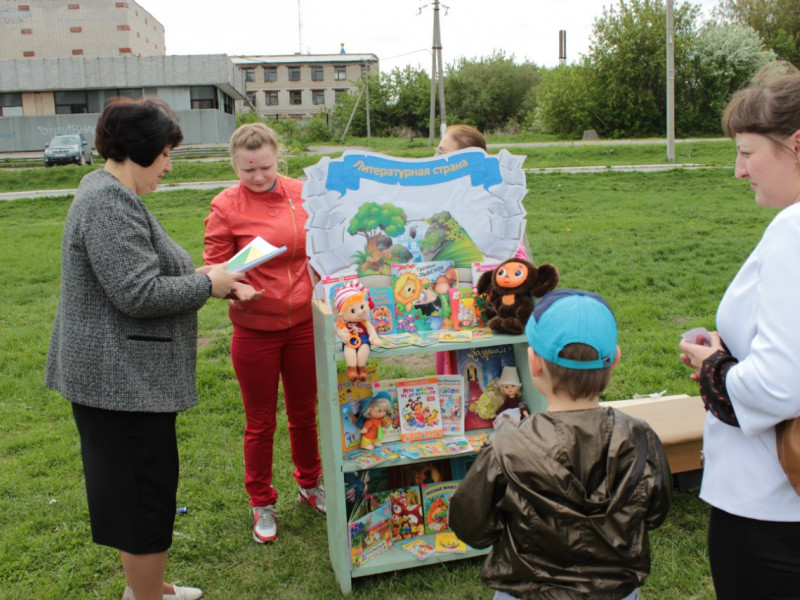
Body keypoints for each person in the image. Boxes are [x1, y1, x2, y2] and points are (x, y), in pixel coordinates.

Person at [45, 98, 242, 600]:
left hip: (123, 378)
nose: (170, 165)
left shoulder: (108, 194)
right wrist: (209, 286)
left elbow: (138, 277)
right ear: (139, 149)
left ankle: (151, 589)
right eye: (166, 154)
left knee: (138, 492)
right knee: (143, 496)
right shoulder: (108, 203)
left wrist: (203, 276)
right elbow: (138, 293)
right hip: (121, 383)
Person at [450, 289, 672, 600]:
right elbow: (655, 512)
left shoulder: (507, 446)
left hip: (527, 591)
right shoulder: (639, 437)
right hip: (614, 592)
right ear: (616, 360)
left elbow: (470, 526)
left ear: (533, 363)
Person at [678, 62, 800, 599]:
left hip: (771, 508)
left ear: (797, 145)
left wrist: (714, 368)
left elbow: (780, 385)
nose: (738, 170)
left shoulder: (794, 231)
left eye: (748, 152)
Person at [203, 122, 325, 545]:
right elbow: (214, 269)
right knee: (260, 420)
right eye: (247, 170)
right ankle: (262, 503)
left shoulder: (303, 193)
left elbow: (327, 245)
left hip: (304, 326)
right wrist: (237, 288)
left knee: (304, 412)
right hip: (255, 331)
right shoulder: (225, 205)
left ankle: (310, 484)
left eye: (266, 168)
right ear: (235, 165)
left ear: (279, 158)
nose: (257, 177)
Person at [434, 124, 529, 375]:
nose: (434, 159)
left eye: (442, 153)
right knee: (452, 387)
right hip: (449, 318)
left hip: (487, 318)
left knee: (490, 378)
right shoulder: (439, 203)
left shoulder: (496, 204)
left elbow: (518, 263)